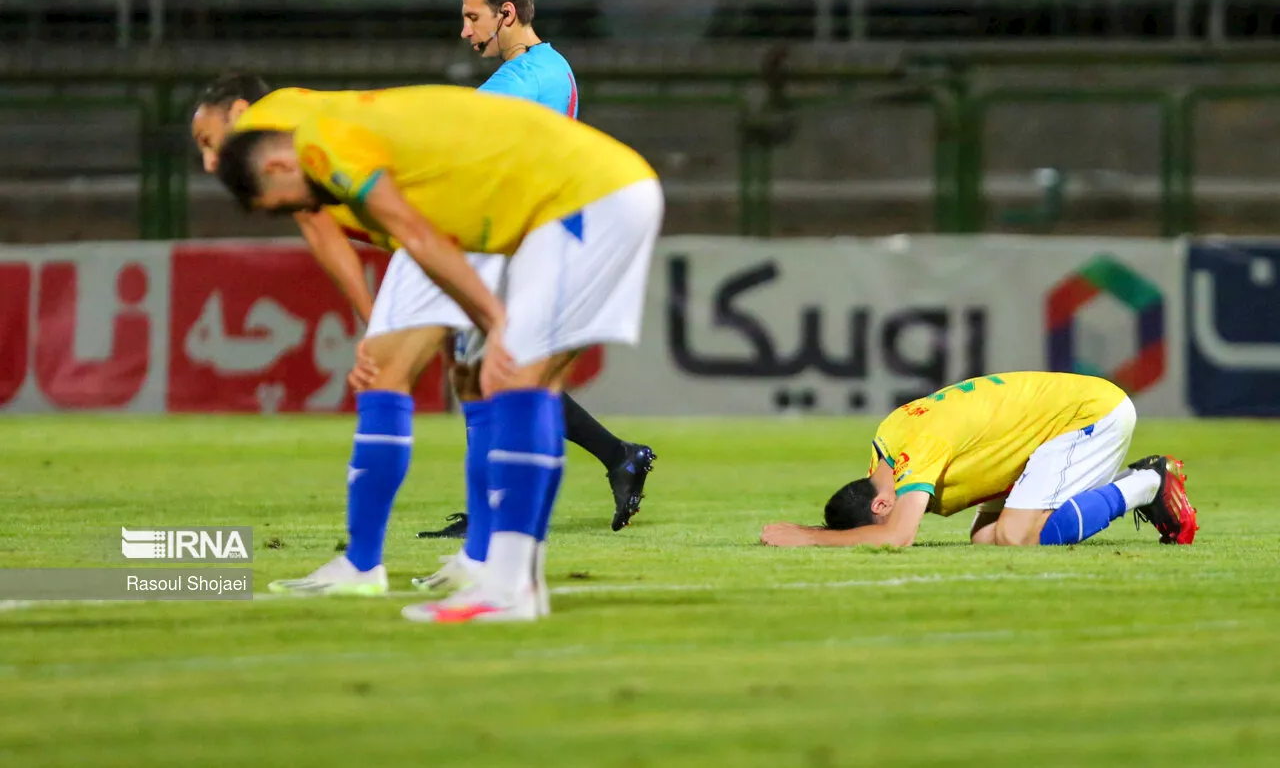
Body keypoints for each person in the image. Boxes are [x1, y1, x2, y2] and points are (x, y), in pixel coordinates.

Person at [215, 84, 664, 622]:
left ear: (278, 164)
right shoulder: (363, 157)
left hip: (584, 200)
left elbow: (419, 235)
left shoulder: (320, 143)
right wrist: (483, 325)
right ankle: (512, 581)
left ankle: (504, 587)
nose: (307, 209)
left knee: (516, 380)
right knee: (517, 384)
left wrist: (497, 322)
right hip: (590, 195)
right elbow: (435, 247)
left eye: (285, 202)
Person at [760, 372, 1198, 549]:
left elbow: (896, 537)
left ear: (879, 504)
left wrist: (809, 538)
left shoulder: (916, 448)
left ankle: (1148, 482)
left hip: (1087, 416)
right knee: (985, 538)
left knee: (1015, 537)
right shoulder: (886, 446)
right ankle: (1139, 483)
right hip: (1037, 434)